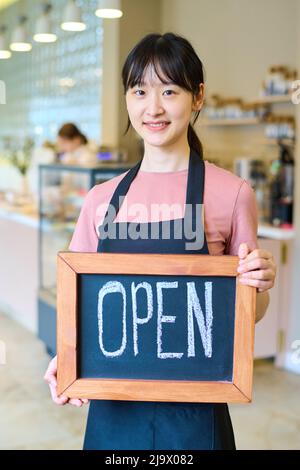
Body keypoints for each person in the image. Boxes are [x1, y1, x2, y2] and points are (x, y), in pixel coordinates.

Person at [44, 32, 276, 450]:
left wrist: (258, 284)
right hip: (113, 408)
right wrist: (65, 359)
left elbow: (248, 313)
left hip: (195, 413)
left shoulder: (233, 193)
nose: (153, 108)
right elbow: (77, 303)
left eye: (169, 90)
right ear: (127, 99)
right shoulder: (101, 199)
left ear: (198, 96)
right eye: (139, 91)